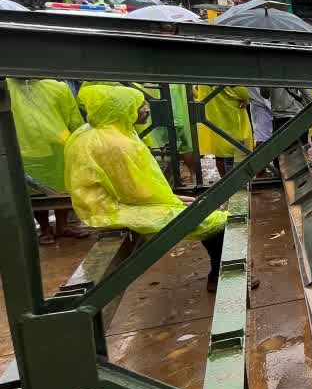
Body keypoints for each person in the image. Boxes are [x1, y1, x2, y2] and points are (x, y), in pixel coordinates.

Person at [65, 85, 228, 290]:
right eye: (139, 105)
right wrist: (174, 200)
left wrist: (173, 197)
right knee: (214, 222)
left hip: (103, 202)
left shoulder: (96, 131)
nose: (147, 109)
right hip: (111, 209)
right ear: (120, 108)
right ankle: (219, 276)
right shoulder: (114, 143)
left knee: (199, 210)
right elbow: (135, 193)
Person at [6, 78, 86, 244]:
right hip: (25, 147)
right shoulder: (5, 87)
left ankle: (62, 226)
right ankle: (45, 229)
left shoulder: (58, 88)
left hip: (53, 148)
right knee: (34, 192)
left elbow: (73, 118)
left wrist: (79, 141)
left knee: (63, 187)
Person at [194, 85, 253, 178]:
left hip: (212, 116)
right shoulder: (225, 71)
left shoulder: (202, 73)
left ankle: (224, 182)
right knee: (235, 151)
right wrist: (245, 98)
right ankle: (234, 184)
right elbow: (242, 91)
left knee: (220, 153)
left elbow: (195, 91)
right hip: (230, 115)